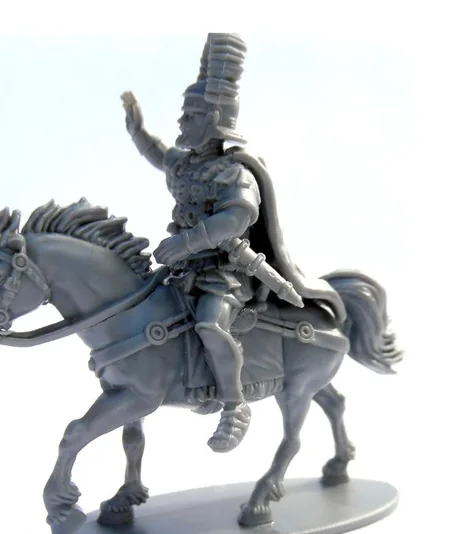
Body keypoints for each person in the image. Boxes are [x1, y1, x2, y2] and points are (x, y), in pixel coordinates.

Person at [122, 33, 345, 453]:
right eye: (183, 114)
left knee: (210, 323)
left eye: (190, 115)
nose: (181, 122)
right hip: (183, 269)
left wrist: (187, 243)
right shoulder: (186, 164)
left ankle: (233, 405)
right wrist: (137, 131)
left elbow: (236, 218)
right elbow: (159, 154)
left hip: (226, 273)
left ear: (213, 120)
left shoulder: (234, 173)